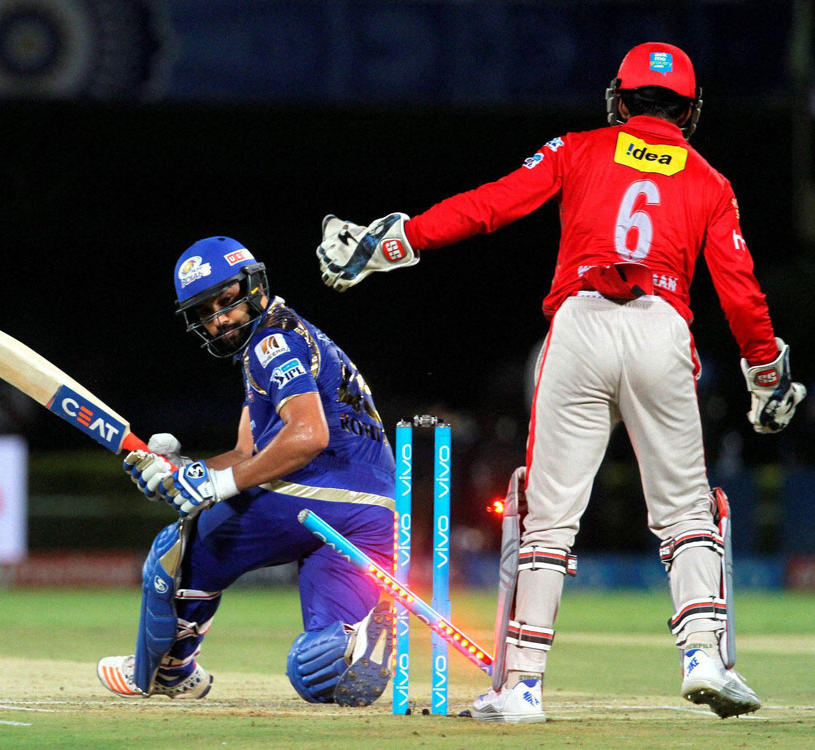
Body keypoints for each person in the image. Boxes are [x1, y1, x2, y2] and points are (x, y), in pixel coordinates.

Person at [316, 42, 806, 722]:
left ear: (621, 99)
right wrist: (766, 374)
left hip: (578, 327)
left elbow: (491, 205)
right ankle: (704, 658)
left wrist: (396, 242)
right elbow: (742, 293)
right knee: (688, 511)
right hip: (663, 328)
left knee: (546, 517)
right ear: (689, 111)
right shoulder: (710, 183)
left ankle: (520, 688)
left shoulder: (577, 148)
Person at [96, 236, 397, 707]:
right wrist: (180, 471)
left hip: (323, 493)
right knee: (318, 672)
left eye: (227, 300)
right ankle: (356, 640)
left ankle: (169, 671)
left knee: (181, 548)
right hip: (376, 518)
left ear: (253, 286)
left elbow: (309, 436)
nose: (218, 318)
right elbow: (245, 453)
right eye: (204, 311)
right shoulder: (290, 335)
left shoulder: (271, 344)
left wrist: (215, 486)